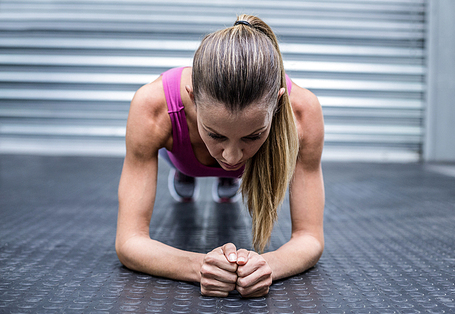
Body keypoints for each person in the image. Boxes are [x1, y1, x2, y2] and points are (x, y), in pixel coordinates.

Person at [115, 14, 325, 298]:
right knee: (191, 161)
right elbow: (129, 242)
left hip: (248, 153)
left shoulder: (302, 113)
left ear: (277, 103)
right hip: (182, 152)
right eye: (216, 134)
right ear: (192, 97)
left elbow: (310, 237)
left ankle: (224, 164)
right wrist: (200, 266)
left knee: (233, 159)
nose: (232, 155)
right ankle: (187, 168)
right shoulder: (153, 107)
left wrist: (267, 266)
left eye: (253, 135)